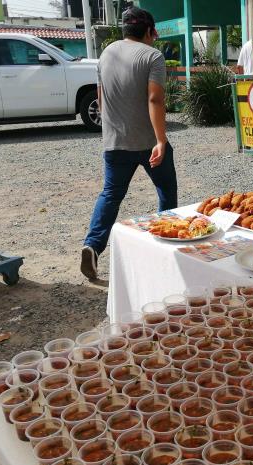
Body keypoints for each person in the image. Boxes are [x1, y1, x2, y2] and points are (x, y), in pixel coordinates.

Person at [80, 6, 178, 280]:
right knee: (166, 192)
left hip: (114, 141)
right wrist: (160, 140)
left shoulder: (106, 53)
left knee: (111, 195)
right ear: (148, 30)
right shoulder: (152, 56)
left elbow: (101, 98)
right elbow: (155, 99)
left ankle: (92, 245)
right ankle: (164, 247)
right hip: (148, 141)